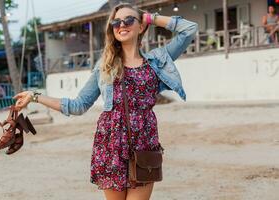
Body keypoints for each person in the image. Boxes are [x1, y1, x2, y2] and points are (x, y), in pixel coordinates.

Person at [13, 3, 198, 200]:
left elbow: (189, 29)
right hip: (110, 147)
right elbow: (79, 105)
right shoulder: (105, 65)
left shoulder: (157, 59)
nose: (121, 25)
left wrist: (150, 17)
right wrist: (35, 96)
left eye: (128, 20)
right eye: (116, 22)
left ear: (141, 26)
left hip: (144, 145)